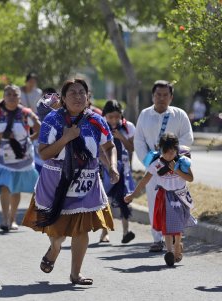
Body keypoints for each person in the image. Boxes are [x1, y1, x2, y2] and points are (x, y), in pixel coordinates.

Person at [22, 78, 118, 285]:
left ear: (88, 97)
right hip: (56, 183)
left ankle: (76, 274)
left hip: (86, 183)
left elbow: (109, 147)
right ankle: (55, 248)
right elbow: (45, 153)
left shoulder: (96, 121)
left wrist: (112, 166)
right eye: (72, 93)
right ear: (63, 99)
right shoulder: (52, 120)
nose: (77, 96)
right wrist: (66, 139)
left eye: (81, 92)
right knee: (58, 233)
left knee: (82, 230)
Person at [134, 80, 193, 252]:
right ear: (153, 96)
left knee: (178, 203)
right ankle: (157, 238)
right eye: (158, 95)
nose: (161, 98)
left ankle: (177, 238)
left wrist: (173, 156)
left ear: (171, 96)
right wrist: (149, 160)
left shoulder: (179, 115)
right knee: (155, 202)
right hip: (155, 167)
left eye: (165, 95)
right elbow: (139, 140)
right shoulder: (145, 115)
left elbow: (187, 138)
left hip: (175, 167)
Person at [125, 133, 196, 266]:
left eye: (172, 152)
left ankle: (177, 247)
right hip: (164, 197)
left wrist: (177, 170)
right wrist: (133, 195)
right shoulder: (156, 164)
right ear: (160, 149)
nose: (169, 155)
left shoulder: (182, 162)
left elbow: (190, 178)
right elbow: (145, 180)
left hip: (180, 196)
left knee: (177, 227)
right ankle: (169, 252)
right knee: (167, 226)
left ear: (176, 150)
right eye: (165, 152)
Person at [0, 85, 40, 231]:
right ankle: (5, 219)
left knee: (15, 188)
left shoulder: (25, 113)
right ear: (4, 97)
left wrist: (28, 140)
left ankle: (13, 219)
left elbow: (40, 128)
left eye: (15, 95)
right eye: (8, 94)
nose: (11, 97)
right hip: (1, 157)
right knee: (5, 186)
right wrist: (2, 136)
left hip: (21, 157)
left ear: (19, 97)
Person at [99, 100, 136, 244]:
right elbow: (98, 150)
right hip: (105, 168)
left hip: (123, 168)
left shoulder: (128, 128)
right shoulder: (100, 127)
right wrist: (109, 166)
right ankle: (104, 232)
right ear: (105, 116)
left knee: (124, 199)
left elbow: (132, 148)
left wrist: (121, 137)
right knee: (105, 200)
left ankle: (126, 232)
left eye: (117, 116)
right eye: (110, 117)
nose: (114, 120)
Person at [34, 88, 61, 173]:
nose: (48, 100)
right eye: (45, 98)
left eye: (52, 97)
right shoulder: (35, 115)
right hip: (38, 161)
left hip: (56, 162)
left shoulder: (64, 115)